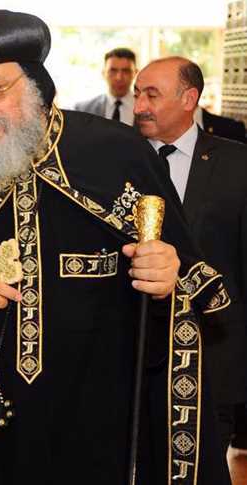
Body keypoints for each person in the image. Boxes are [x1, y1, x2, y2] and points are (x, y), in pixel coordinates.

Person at [0, 10, 230, 485]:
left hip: (93, 431)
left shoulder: (116, 155)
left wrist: (168, 279)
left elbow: (191, 285)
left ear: (36, 85)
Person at [134, 56, 247, 461]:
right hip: (130, 358)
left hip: (212, 359)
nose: (139, 106)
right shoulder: (115, 159)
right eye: (137, 94)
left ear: (189, 99)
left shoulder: (237, 166)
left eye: (152, 95)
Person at [75, 47, 137, 125]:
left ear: (135, 73)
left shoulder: (146, 109)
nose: (119, 77)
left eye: (126, 71)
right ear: (103, 73)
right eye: (113, 70)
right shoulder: (83, 109)